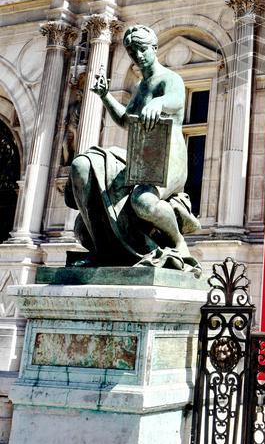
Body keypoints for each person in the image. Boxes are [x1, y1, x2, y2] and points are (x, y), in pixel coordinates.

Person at [65, 25, 201, 270]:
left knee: (143, 202)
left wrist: (159, 103)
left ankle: (178, 243)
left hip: (171, 155)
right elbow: (126, 120)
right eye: (132, 51)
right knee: (87, 166)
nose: (138, 55)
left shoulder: (170, 79)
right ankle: (103, 248)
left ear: (154, 48)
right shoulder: (141, 86)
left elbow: (177, 100)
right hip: (144, 155)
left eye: (142, 49)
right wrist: (105, 96)